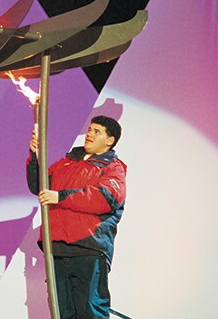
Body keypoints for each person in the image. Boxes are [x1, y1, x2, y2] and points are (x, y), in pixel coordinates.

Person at [26, 115, 127, 319]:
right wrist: (34, 155)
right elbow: (39, 185)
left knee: (90, 311)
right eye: (90, 129)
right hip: (57, 248)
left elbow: (104, 198)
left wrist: (60, 196)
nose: (89, 134)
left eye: (97, 131)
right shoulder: (66, 163)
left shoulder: (113, 167)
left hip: (88, 248)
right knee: (62, 313)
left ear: (110, 140)